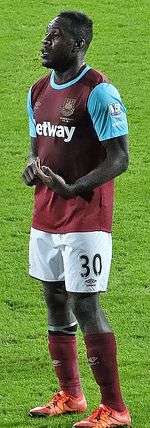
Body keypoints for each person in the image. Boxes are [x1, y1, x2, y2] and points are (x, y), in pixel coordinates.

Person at [22, 10, 131, 428]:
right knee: (53, 296)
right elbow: (37, 146)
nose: (46, 42)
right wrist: (32, 166)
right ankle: (71, 394)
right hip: (46, 213)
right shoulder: (37, 90)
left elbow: (120, 158)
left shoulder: (98, 91)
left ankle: (116, 409)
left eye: (56, 37)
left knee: (85, 303)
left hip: (86, 215)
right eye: (47, 34)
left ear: (79, 44)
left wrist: (74, 186)